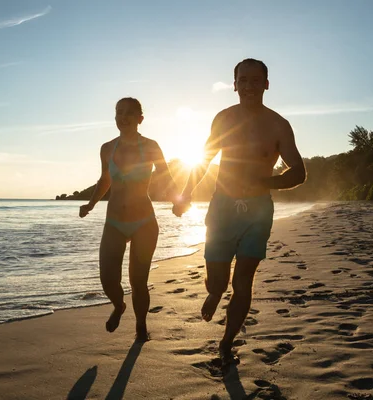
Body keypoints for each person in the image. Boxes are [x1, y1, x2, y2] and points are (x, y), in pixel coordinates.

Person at [173, 58, 306, 367]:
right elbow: (203, 160)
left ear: (266, 84)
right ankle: (215, 292)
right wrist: (186, 193)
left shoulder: (278, 125)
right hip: (221, 209)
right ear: (234, 85)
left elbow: (298, 172)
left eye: (255, 80)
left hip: (258, 212)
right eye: (242, 80)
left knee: (243, 280)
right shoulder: (223, 119)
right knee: (216, 281)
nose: (249, 86)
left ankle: (227, 341)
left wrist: (264, 181)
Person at [80, 97, 180, 342]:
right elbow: (105, 179)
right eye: (118, 112)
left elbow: (166, 176)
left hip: (144, 222)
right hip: (114, 221)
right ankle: (118, 305)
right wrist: (91, 204)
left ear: (140, 119)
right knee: (108, 279)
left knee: (138, 280)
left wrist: (177, 199)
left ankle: (141, 326)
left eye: (128, 113)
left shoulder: (151, 146)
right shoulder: (107, 148)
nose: (122, 117)